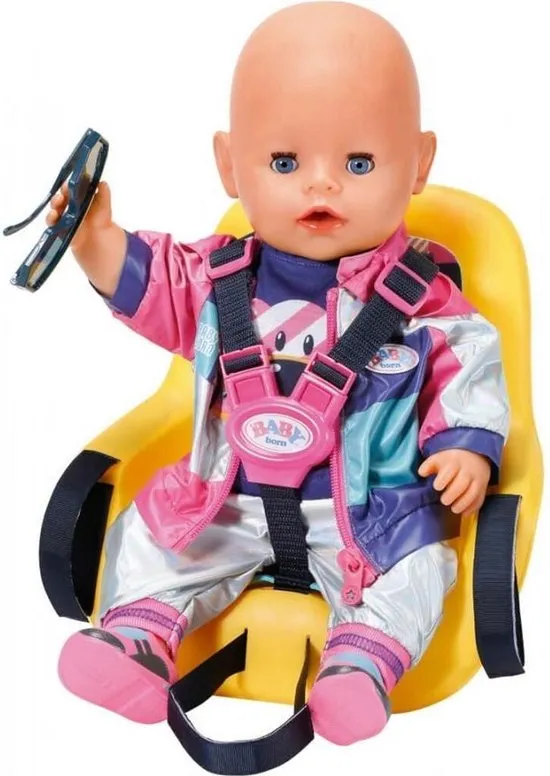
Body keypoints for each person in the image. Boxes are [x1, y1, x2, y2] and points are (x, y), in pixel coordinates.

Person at [50, 1, 509, 746]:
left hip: (368, 516)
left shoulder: (425, 302)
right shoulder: (216, 278)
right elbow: (155, 282)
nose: (321, 187)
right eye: (286, 163)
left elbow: (469, 368)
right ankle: (138, 635)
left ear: (419, 163)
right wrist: (95, 238)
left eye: (359, 163)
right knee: (154, 536)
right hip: (225, 500)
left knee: (418, 566)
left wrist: (465, 447)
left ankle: (361, 662)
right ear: (230, 165)